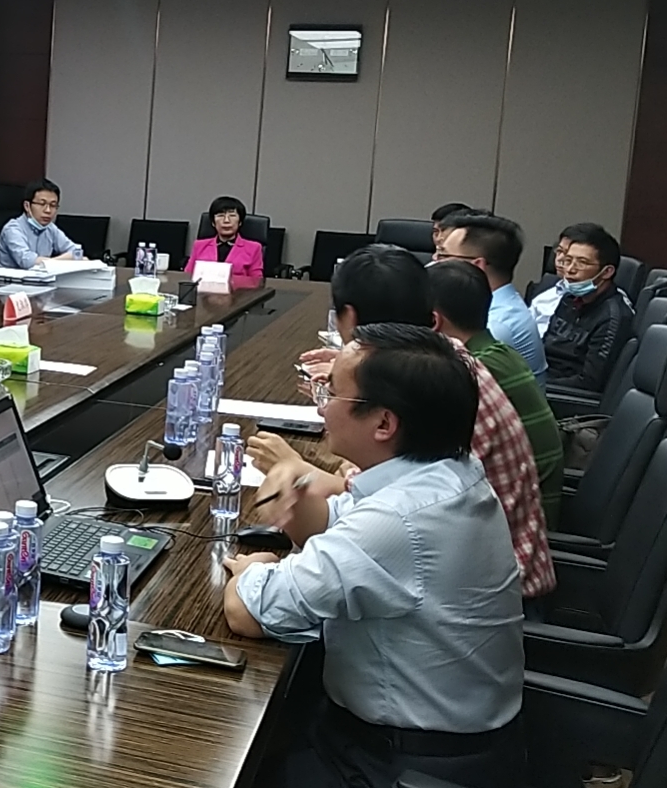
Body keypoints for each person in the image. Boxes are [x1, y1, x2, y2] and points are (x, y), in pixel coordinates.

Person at [225, 323, 526, 788]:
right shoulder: (450, 473)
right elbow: (337, 522)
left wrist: (254, 567)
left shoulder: (400, 519)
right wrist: (296, 489)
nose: (322, 406)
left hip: (397, 764)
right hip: (456, 746)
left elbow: (249, 612)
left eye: (331, 393)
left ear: (384, 424)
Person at [248, 245, 554, 600]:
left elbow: (369, 500)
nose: (324, 407)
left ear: (349, 316)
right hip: (467, 566)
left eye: (332, 394)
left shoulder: (438, 387)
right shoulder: (443, 362)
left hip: (483, 588)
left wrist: (297, 470)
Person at [429, 260, 566, 527]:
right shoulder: (498, 352)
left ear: (433, 321)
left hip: (519, 520)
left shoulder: (472, 369)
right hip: (524, 505)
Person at [433, 213, 547, 381]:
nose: (435, 260)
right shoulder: (498, 304)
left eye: (444, 255)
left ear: (476, 266)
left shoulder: (497, 326)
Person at [540, 225, 633, 392]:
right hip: (542, 376)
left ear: (607, 272)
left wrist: (532, 386)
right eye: (568, 260)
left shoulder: (612, 317)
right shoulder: (569, 298)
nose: (570, 270)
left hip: (561, 395)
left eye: (582, 263)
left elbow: (589, 382)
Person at [0, 179, 78, 269]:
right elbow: (27, 261)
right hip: (7, 278)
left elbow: (77, 252)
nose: (48, 210)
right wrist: (64, 260)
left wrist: (54, 261)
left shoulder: (50, 229)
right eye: (42, 204)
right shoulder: (12, 229)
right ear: (27, 206)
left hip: (39, 277)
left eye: (53, 205)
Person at [185, 195, 264, 281]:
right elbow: (187, 276)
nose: (226, 220)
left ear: (240, 222)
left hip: (239, 290)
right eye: (221, 215)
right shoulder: (199, 246)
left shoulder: (254, 248)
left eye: (232, 215)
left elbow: (257, 281)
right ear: (213, 222)